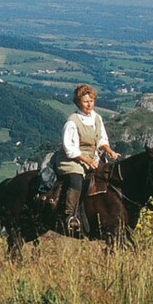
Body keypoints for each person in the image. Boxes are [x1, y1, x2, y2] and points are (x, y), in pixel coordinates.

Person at [56, 84, 119, 232]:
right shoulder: (72, 121)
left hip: (92, 157)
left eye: (91, 101)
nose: (89, 104)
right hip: (72, 160)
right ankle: (70, 215)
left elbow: (101, 139)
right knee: (76, 180)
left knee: (106, 177)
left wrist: (108, 150)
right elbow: (70, 149)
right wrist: (86, 160)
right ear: (78, 102)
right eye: (85, 101)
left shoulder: (97, 118)